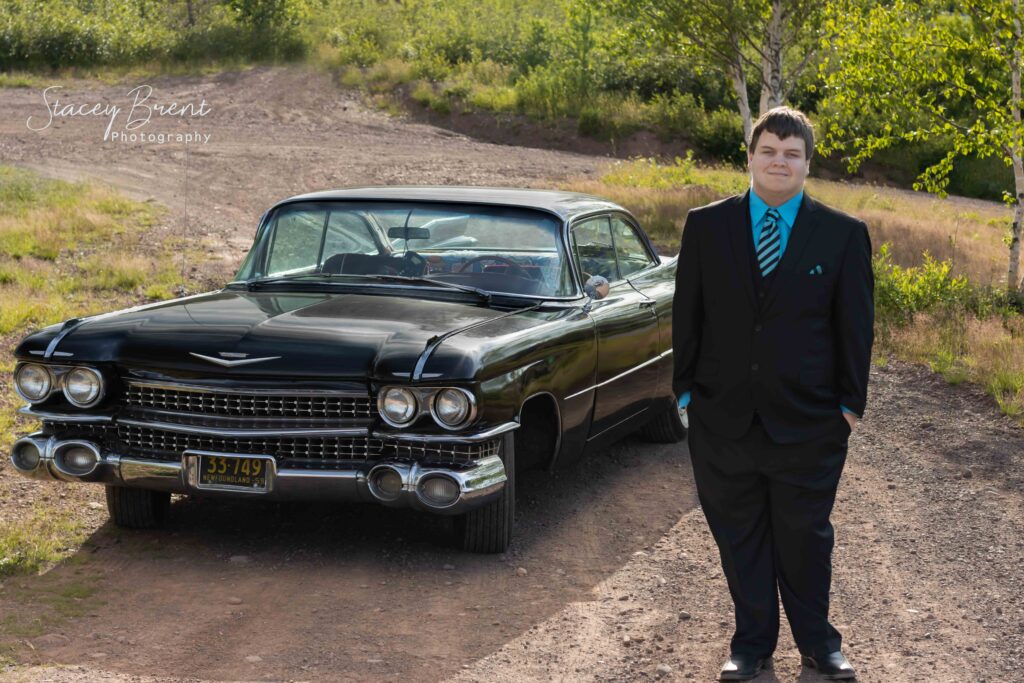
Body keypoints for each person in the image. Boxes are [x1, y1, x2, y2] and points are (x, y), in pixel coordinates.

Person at [672, 107, 873, 681]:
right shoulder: (706, 226)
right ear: (751, 156)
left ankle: (819, 645)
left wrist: (848, 409)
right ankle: (751, 645)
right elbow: (687, 315)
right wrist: (685, 395)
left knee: (805, 538)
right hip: (721, 418)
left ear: (808, 163)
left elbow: (855, 330)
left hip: (810, 423)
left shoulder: (842, 235)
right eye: (769, 150)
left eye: (792, 153)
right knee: (740, 538)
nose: (779, 161)